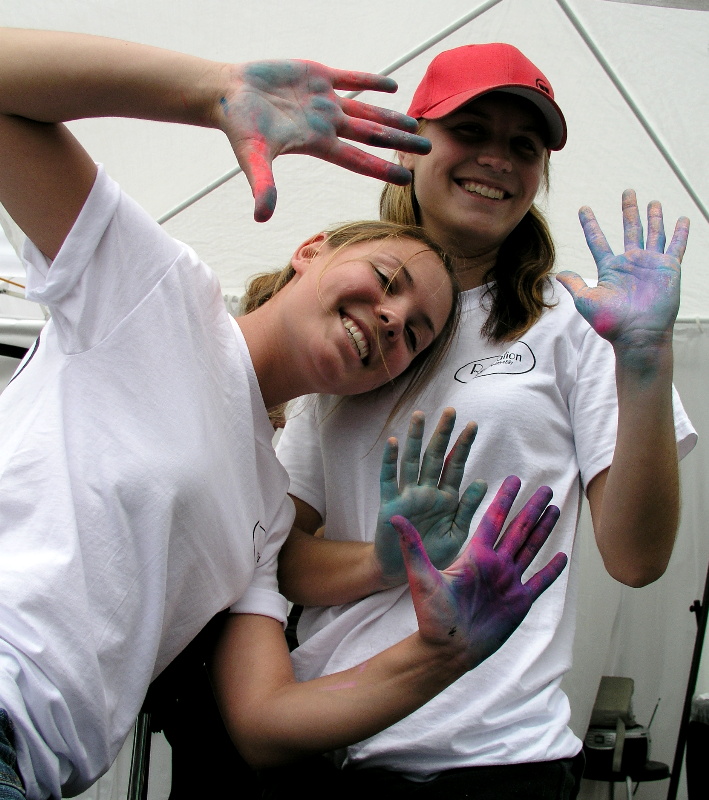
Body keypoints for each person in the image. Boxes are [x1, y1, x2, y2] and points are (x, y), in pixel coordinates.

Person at [0, 29, 570, 800]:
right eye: (385, 278)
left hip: (36, 767)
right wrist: (213, 90)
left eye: (415, 334)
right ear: (312, 250)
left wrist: (442, 655)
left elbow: (264, 722)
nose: (392, 319)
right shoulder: (158, 298)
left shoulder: (267, 511)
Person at [273, 43, 697, 799]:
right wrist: (383, 559)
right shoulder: (353, 314)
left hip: (495, 760)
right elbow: (277, 557)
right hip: (326, 745)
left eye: (524, 146)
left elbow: (636, 560)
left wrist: (645, 359)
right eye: (470, 130)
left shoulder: (578, 320)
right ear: (412, 141)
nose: (497, 159)